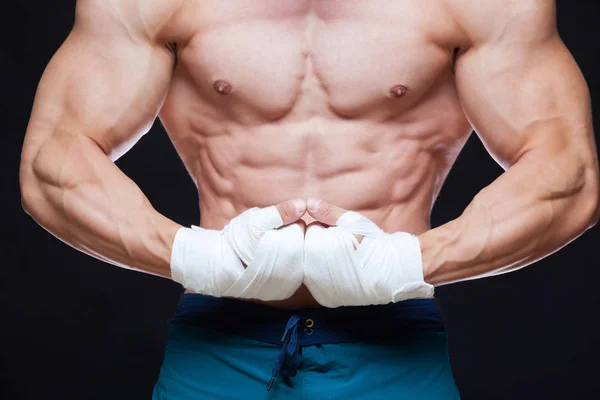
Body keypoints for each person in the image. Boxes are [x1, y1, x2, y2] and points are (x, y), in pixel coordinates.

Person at [19, 0, 599, 399]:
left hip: (393, 345)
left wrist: (405, 265)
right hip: (217, 344)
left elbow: (566, 173)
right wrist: (198, 258)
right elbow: (54, 160)